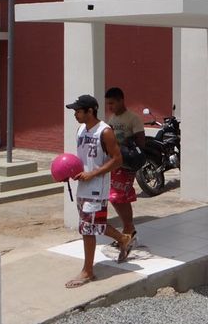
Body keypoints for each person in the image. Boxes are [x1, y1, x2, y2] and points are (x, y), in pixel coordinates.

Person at [65, 94, 133, 289]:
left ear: (90, 111)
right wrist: (72, 171)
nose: (75, 114)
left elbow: (117, 159)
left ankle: (88, 271)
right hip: (83, 186)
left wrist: (94, 174)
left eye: (78, 111)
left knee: (87, 228)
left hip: (97, 189)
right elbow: (83, 158)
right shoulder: (80, 130)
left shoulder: (105, 132)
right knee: (95, 224)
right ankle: (123, 239)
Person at [104, 87, 146, 248]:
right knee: (114, 197)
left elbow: (141, 143)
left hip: (127, 164)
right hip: (115, 163)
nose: (110, 107)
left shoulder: (133, 119)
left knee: (120, 197)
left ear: (121, 100)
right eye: (108, 104)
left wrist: (129, 153)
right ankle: (129, 230)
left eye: (112, 103)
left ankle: (129, 229)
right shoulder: (112, 119)